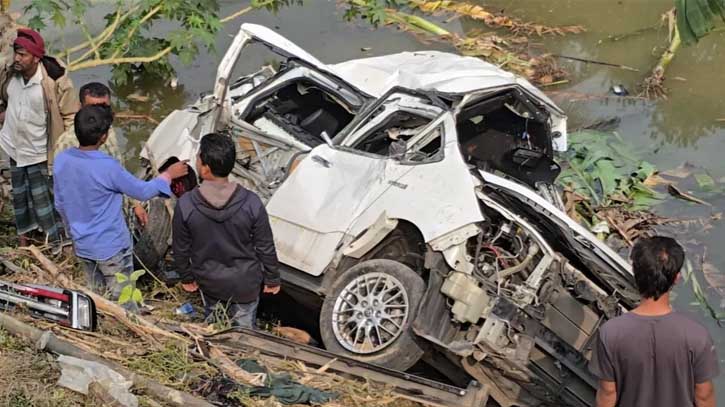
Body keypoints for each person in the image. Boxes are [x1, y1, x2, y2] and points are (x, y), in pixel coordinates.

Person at [53, 105, 188, 304]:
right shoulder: (107, 166)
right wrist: (168, 175)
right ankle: (129, 325)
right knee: (124, 300)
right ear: (104, 137)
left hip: (82, 244)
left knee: (96, 296)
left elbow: (60, 203)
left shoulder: (62, 160)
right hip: (111, 247)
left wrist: (73, 230)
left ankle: (101, 326)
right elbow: (142, 191)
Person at [590, 236, 719, 407]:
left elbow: (607, 393)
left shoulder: (610, 333)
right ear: (676, 278)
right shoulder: (696, 336)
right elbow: (704, 396)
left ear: (636, 274)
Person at [172, 133, 281, 328]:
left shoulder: (186, 204)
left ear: (205, 168)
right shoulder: (251, 202)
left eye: (198, 157)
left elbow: (181, 248)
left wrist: (186, 276)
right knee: (244, 333)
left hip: (209, 282)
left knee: (214, 327)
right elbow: (265, 245)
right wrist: (272, 277)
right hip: (245, 284)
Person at [0, 28, 80, 250]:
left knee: (45, 199)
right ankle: (26, 240)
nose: (17, 58)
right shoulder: (9, 74)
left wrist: (65, 152)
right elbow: (6, 98)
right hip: (14, 146)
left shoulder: (55, 81)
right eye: (16, 52)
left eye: (23, 54)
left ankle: (58, 244)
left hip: (39, 151)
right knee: (20, 196)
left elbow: (71, 117)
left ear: (36, 57)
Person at [52, 81, 149, 226]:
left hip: (117, 217)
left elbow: (119, 171)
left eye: (104, 108)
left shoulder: (108, 132)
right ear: (80, 108)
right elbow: (65, 194)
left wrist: (135, 204)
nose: (100, 114)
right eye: (93, 108)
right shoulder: (66, 144)